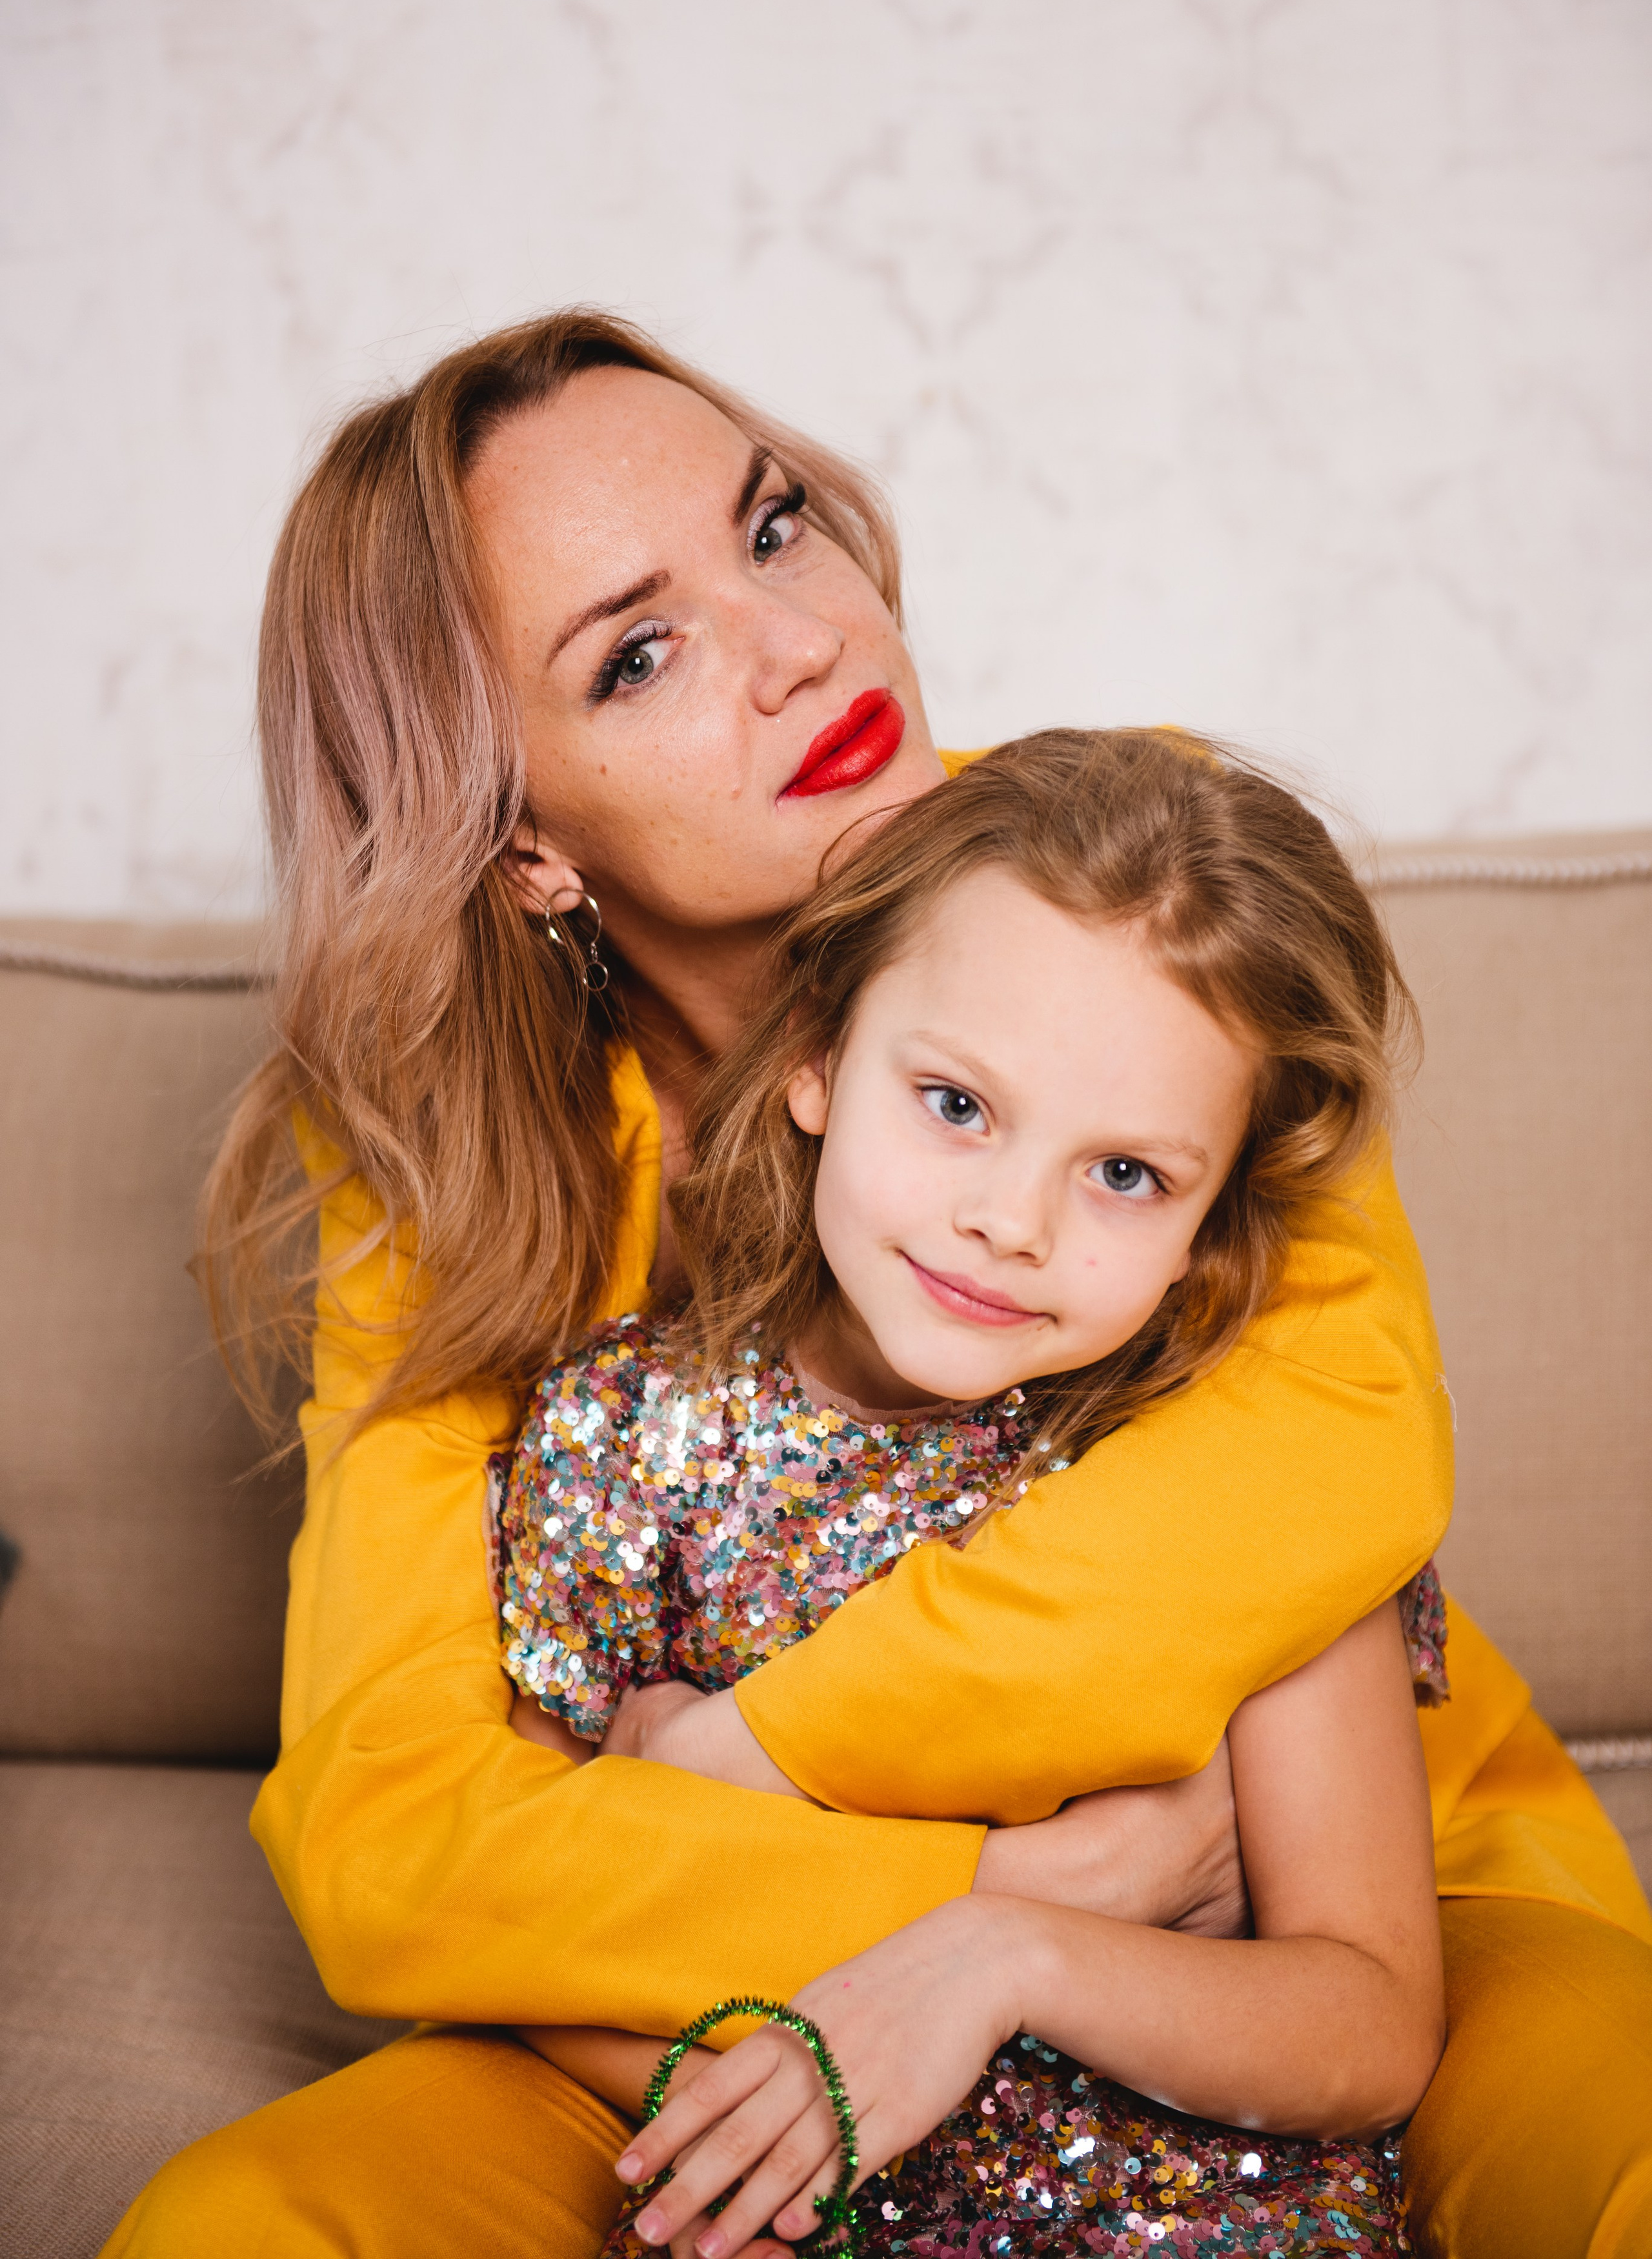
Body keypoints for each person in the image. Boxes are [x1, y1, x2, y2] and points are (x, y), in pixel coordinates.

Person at [103, 313, 1651, 2259]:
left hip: (1330, 1893)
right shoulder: (428, 1147)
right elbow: (392, 1830)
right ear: (522, 845)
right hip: (722, 2001)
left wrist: (766, 1752)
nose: (800, 638)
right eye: (639, 653)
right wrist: (1020, 1897)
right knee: (247, 2223)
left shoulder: (1138, 879)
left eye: (772, 527)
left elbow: (1334, 1448)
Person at [498, 726, 1449, 2258]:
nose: (1009, 1220)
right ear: (817, 1054)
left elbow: (1366, 2017)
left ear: (1211, 1220)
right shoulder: (619, 1437)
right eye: (955, 1105)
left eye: (1124, 1174)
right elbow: (519, 1931)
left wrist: (1008, 1956)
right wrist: (796, 2093)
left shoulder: (1230, 1478)